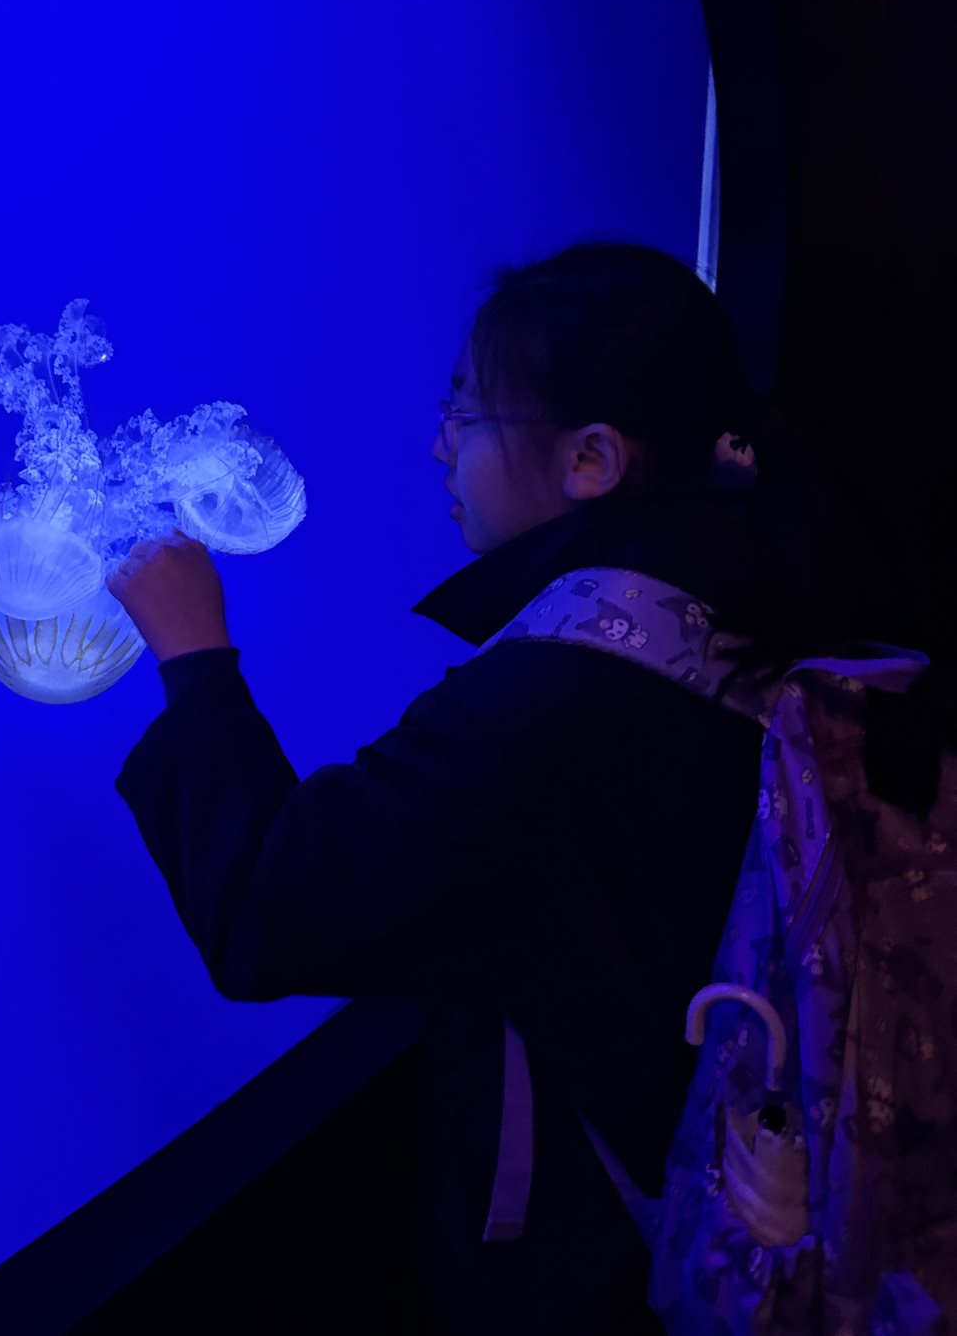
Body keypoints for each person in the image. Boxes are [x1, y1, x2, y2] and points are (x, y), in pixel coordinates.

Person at [112, 240, 937, 1332]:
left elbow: (273, 908)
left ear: (590, 458)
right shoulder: (750, 565)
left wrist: (195, 658)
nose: (438, 445)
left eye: (464, 415)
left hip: (602, 1252)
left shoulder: (559, 695)